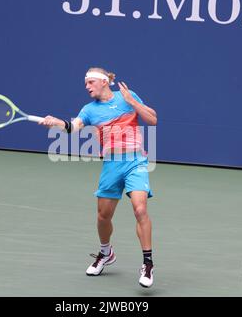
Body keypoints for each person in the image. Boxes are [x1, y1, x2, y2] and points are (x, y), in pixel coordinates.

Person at [39, 67, 157, 288]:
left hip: (135, 162)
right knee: (103, 217)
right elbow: (72, 128)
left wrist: (133, 102)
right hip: (111, 165)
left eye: (91, 82)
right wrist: (56, 122)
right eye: (86, 83)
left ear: (104, 82)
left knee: (140, 209)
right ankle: (106, 253)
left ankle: (148, 264)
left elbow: (153, 120)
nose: (87, 86)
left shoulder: (126, 96)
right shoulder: (89, 109)